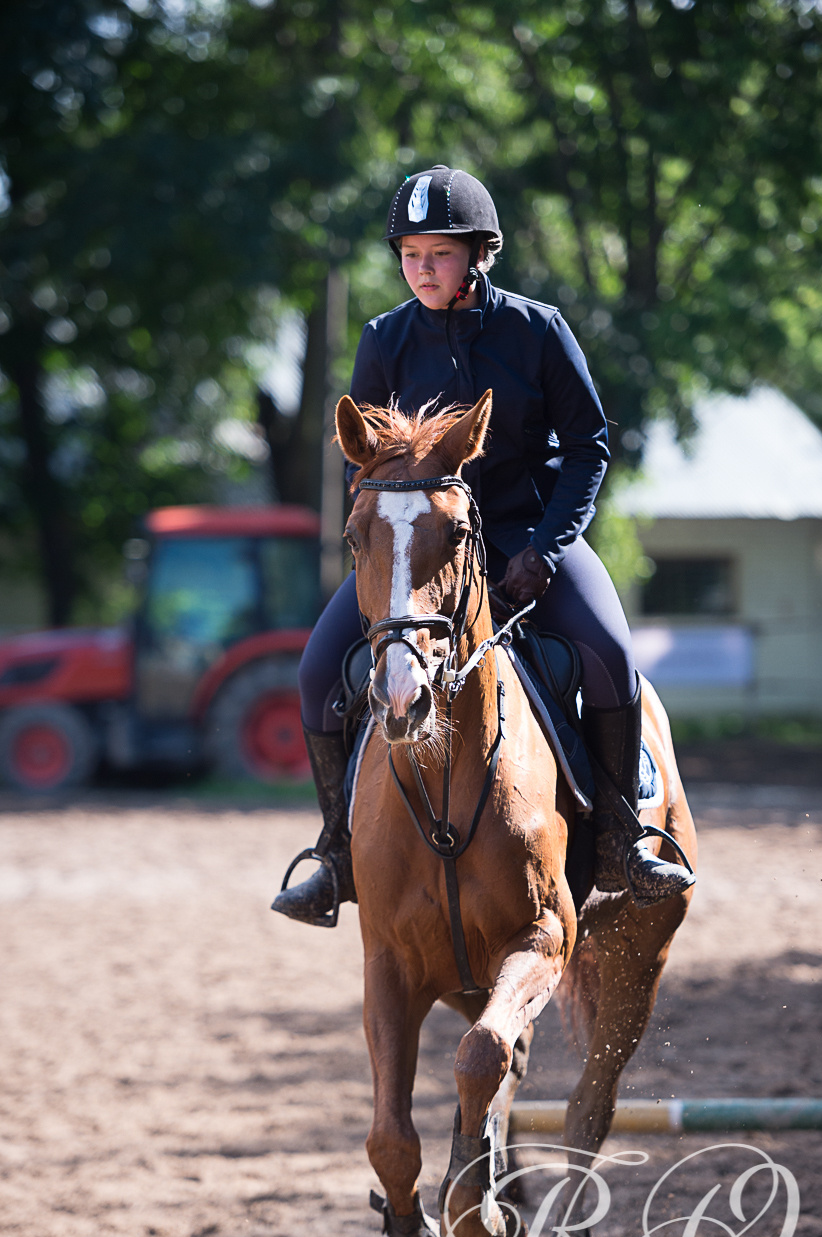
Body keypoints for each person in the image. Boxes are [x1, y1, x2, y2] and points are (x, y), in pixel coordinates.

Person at [272, 164, 693, 926]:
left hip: (527, 536)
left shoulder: (537, 329)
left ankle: (624, 838)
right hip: (421, 548)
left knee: (608, 654)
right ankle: (336, 853)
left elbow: (590, 444)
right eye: (410, 255)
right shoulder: (385, 339)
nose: (422, 270)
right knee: (313, 672)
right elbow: (360, 457)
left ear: (477, 254)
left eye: (438, 254)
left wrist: (545, 548)